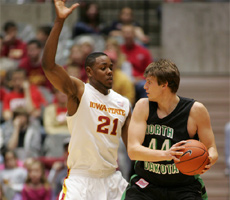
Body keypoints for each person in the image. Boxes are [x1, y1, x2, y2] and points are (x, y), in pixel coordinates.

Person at [41, 1, 131, 200]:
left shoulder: (124, 103)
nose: (109, 71)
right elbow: (48, 66)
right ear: (89, 72)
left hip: (112, 180)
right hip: (81, 180)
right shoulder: (80, 91)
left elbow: (133, 149)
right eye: (103, 67)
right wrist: (59, 22)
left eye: (111, 67)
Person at [121, 59, 219, 200]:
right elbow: (133, 151)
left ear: (164, 85)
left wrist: (208, 159)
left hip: (184, 187)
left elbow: (211, 148)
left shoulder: (195, 110)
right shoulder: (143, 106)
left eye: (149, 82)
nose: (145, 87)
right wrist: (166, 155)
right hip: (147, 184)